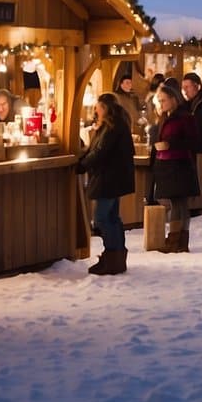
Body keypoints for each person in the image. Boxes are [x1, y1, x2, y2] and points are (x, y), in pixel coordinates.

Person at [78, 93, 135, 275]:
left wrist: (82, 165)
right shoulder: (114, 125)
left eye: (98, 108)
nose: (96, 111)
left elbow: (101, 151)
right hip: (113, 178)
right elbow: (97, 149)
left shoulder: (113, 127)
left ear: (105, 108)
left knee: (102, 217)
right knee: (111, 217)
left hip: (110, 178)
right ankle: (116, 257)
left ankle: (112, 256)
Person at [152, 83, 201, 253]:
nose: (161, 104)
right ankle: (177, 240)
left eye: (163, 100)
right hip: (167, 165)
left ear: (173, 99)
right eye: (159, 101)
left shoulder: (185, 117)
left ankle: (176, 240)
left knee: (179, 203)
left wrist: (170, 144)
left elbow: (193, 142)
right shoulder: (165, 117)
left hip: (180, 165)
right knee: (176, 202)